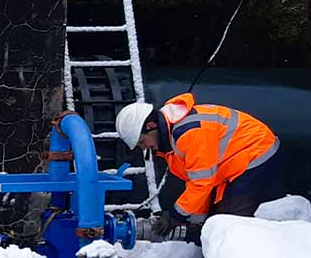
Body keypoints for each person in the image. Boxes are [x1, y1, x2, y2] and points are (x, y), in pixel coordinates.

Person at [115, 93, 285, 240]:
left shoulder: (189, 133)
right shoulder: (170, 142)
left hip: (256, 155)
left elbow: (202, 183)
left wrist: (175, 215)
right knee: (213, 225)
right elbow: (197, 183)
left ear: (151, 127)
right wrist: (195, 224)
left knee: (228, 226)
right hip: (236, 161)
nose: (143, 148)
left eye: (142, 142)